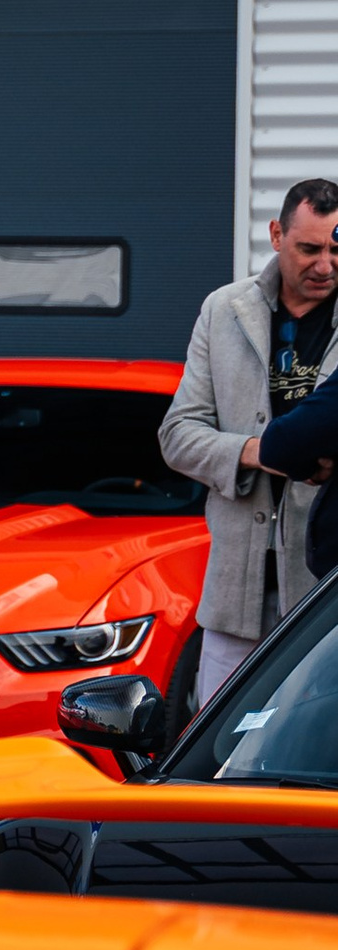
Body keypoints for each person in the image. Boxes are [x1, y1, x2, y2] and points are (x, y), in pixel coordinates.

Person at [162, 177, 338, 708]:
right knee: (212, 759)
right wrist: (257, 452)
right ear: (277, 234)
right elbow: (177, 434)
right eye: (309, 248)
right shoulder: (224, 309)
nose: (325, 265)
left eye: (337, 249)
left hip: (324, 589)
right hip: (235, 592)